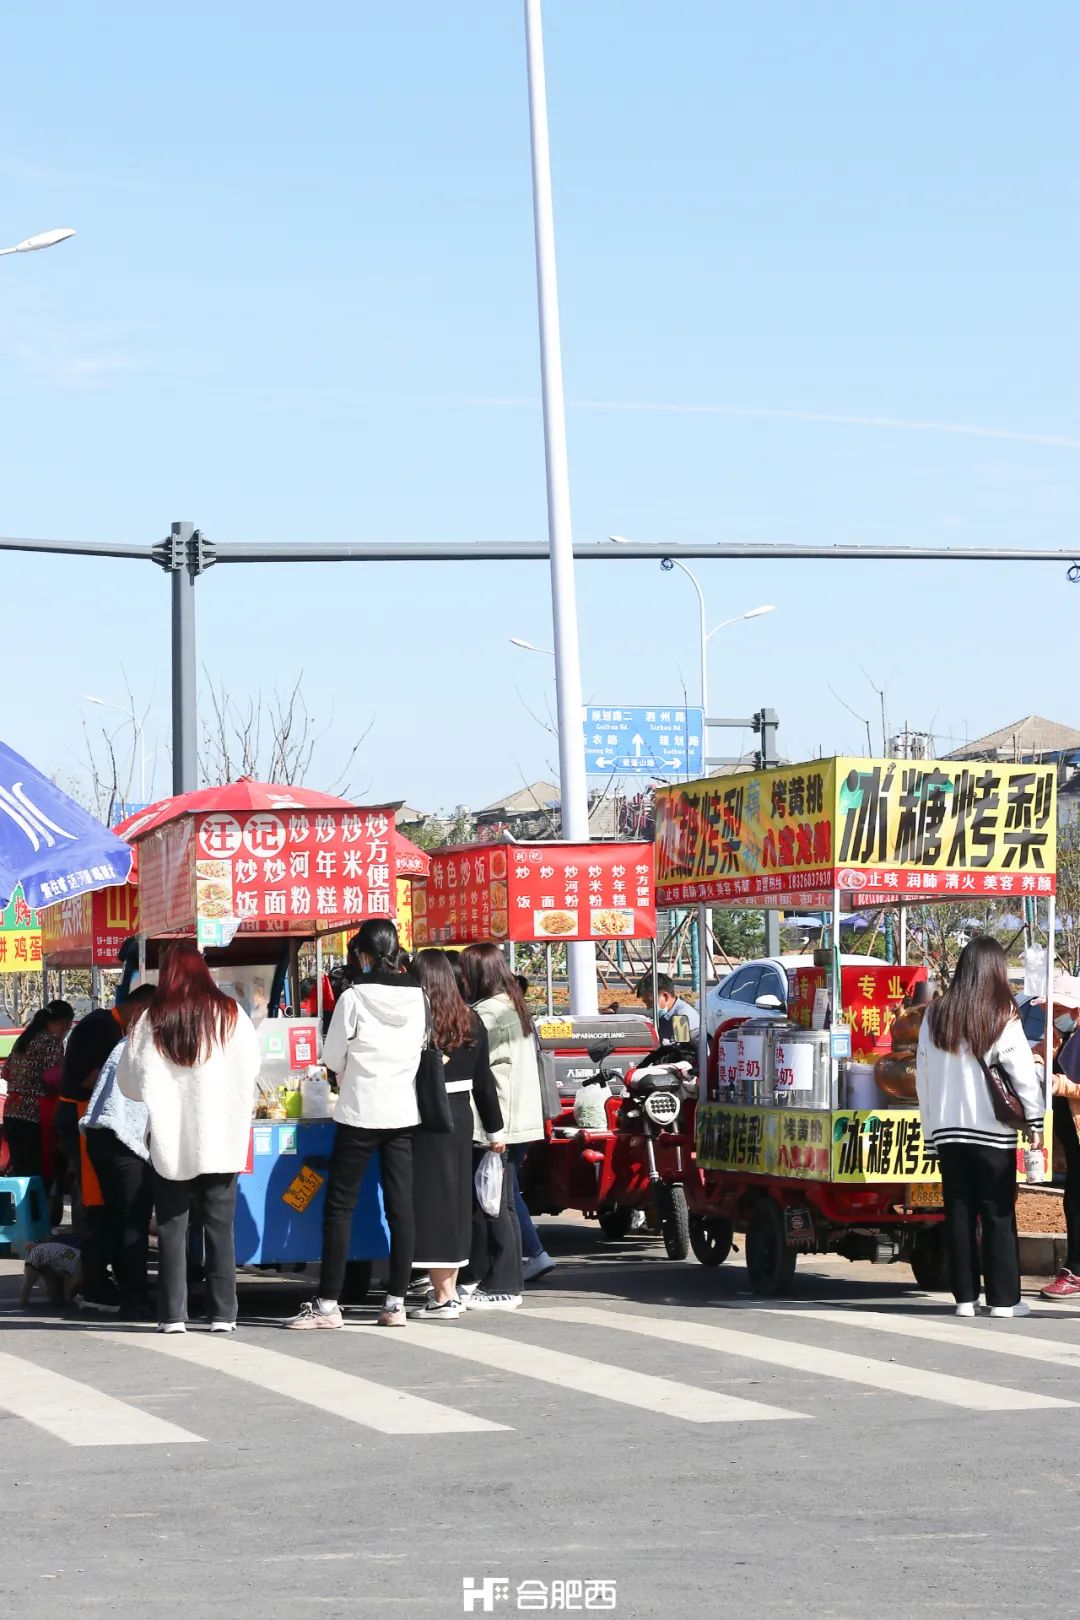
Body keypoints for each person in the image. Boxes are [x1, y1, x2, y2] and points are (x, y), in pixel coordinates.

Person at [285, 918, 425, 1331]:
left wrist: (352, 1070)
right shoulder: (419, 996)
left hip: (359, 1111)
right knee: (402, 1208)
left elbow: (331, 1058)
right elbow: (420, 1048)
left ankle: (328, 1304)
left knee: (340, 1207)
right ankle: (395, 1303)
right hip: (403, 1111)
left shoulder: (353, 997)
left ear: (363, 953)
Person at [118, 943, 261, 1333]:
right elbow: (252, 1066)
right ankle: (223, 1314)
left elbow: (129, 1084)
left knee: (171, 1228)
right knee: (220, 1227)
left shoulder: (150, 1019)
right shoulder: (231, 1014)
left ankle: (172, 1315)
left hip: (170, 1138)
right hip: (221, 1136)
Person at [915, 937, 1045, 1318]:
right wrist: (1034, 1120)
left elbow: (923, 1077)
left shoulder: (935, 1014)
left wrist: (930, 1132)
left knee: (957, 1212)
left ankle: (964, 1299)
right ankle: (1004, 1301)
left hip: (947, 1130)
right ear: (996, 970)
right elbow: (1022, 1074)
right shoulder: (1001, 1013)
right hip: (991, 1131)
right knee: (997, 1212)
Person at [409, 950, 505, 1322]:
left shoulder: (417, 1021)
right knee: (455, 1200)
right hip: (462, 1114)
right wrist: (495, 1130)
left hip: (424, 1114)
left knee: (431, 1202)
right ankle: (447, 1291)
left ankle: (443, 1295)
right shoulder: (471, 1020)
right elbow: (485, 1082)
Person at [459, 944, 548, 1306]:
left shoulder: (487, 1013)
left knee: (493, 1202)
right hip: (518, 1118)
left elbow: (479, 1073)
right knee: (502, 1199)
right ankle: (501, 1279)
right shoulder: (514, 1006)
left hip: (498, 1121)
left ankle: (502, 1284)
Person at [79, 984, 156, 1318]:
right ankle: (134, 1299)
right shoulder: (146, 1044)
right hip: (123, 1139)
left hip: (102, 1136)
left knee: (115, 1216)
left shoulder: (128, 1041)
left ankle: (100, 1286)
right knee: (132, 1220)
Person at [54, 998, 142, 1243]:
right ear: (139, 1009)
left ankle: (94, 1247)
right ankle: (88, 1252)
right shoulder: (101, 1027)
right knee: (89, 1189)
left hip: (89, 1117)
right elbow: (87, 1076)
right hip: (80, 1113)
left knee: (94, 1189)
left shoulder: (113, 1027)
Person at [3, 1000, 73, 1178]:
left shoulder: (24, 1039)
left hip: (12, 1112)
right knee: (37, 1174)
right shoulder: (51, 1042)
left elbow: (6, 1072)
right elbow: (53, 1080)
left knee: (20, 1172)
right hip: (35, 1116)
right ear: (66, 1023)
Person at [636, 973, 700, 1043]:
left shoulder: (681, 1018)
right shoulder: (666, 1015)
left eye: (650, 1003)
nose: (648, 1008)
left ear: (665, 996)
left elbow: (681, 1048)